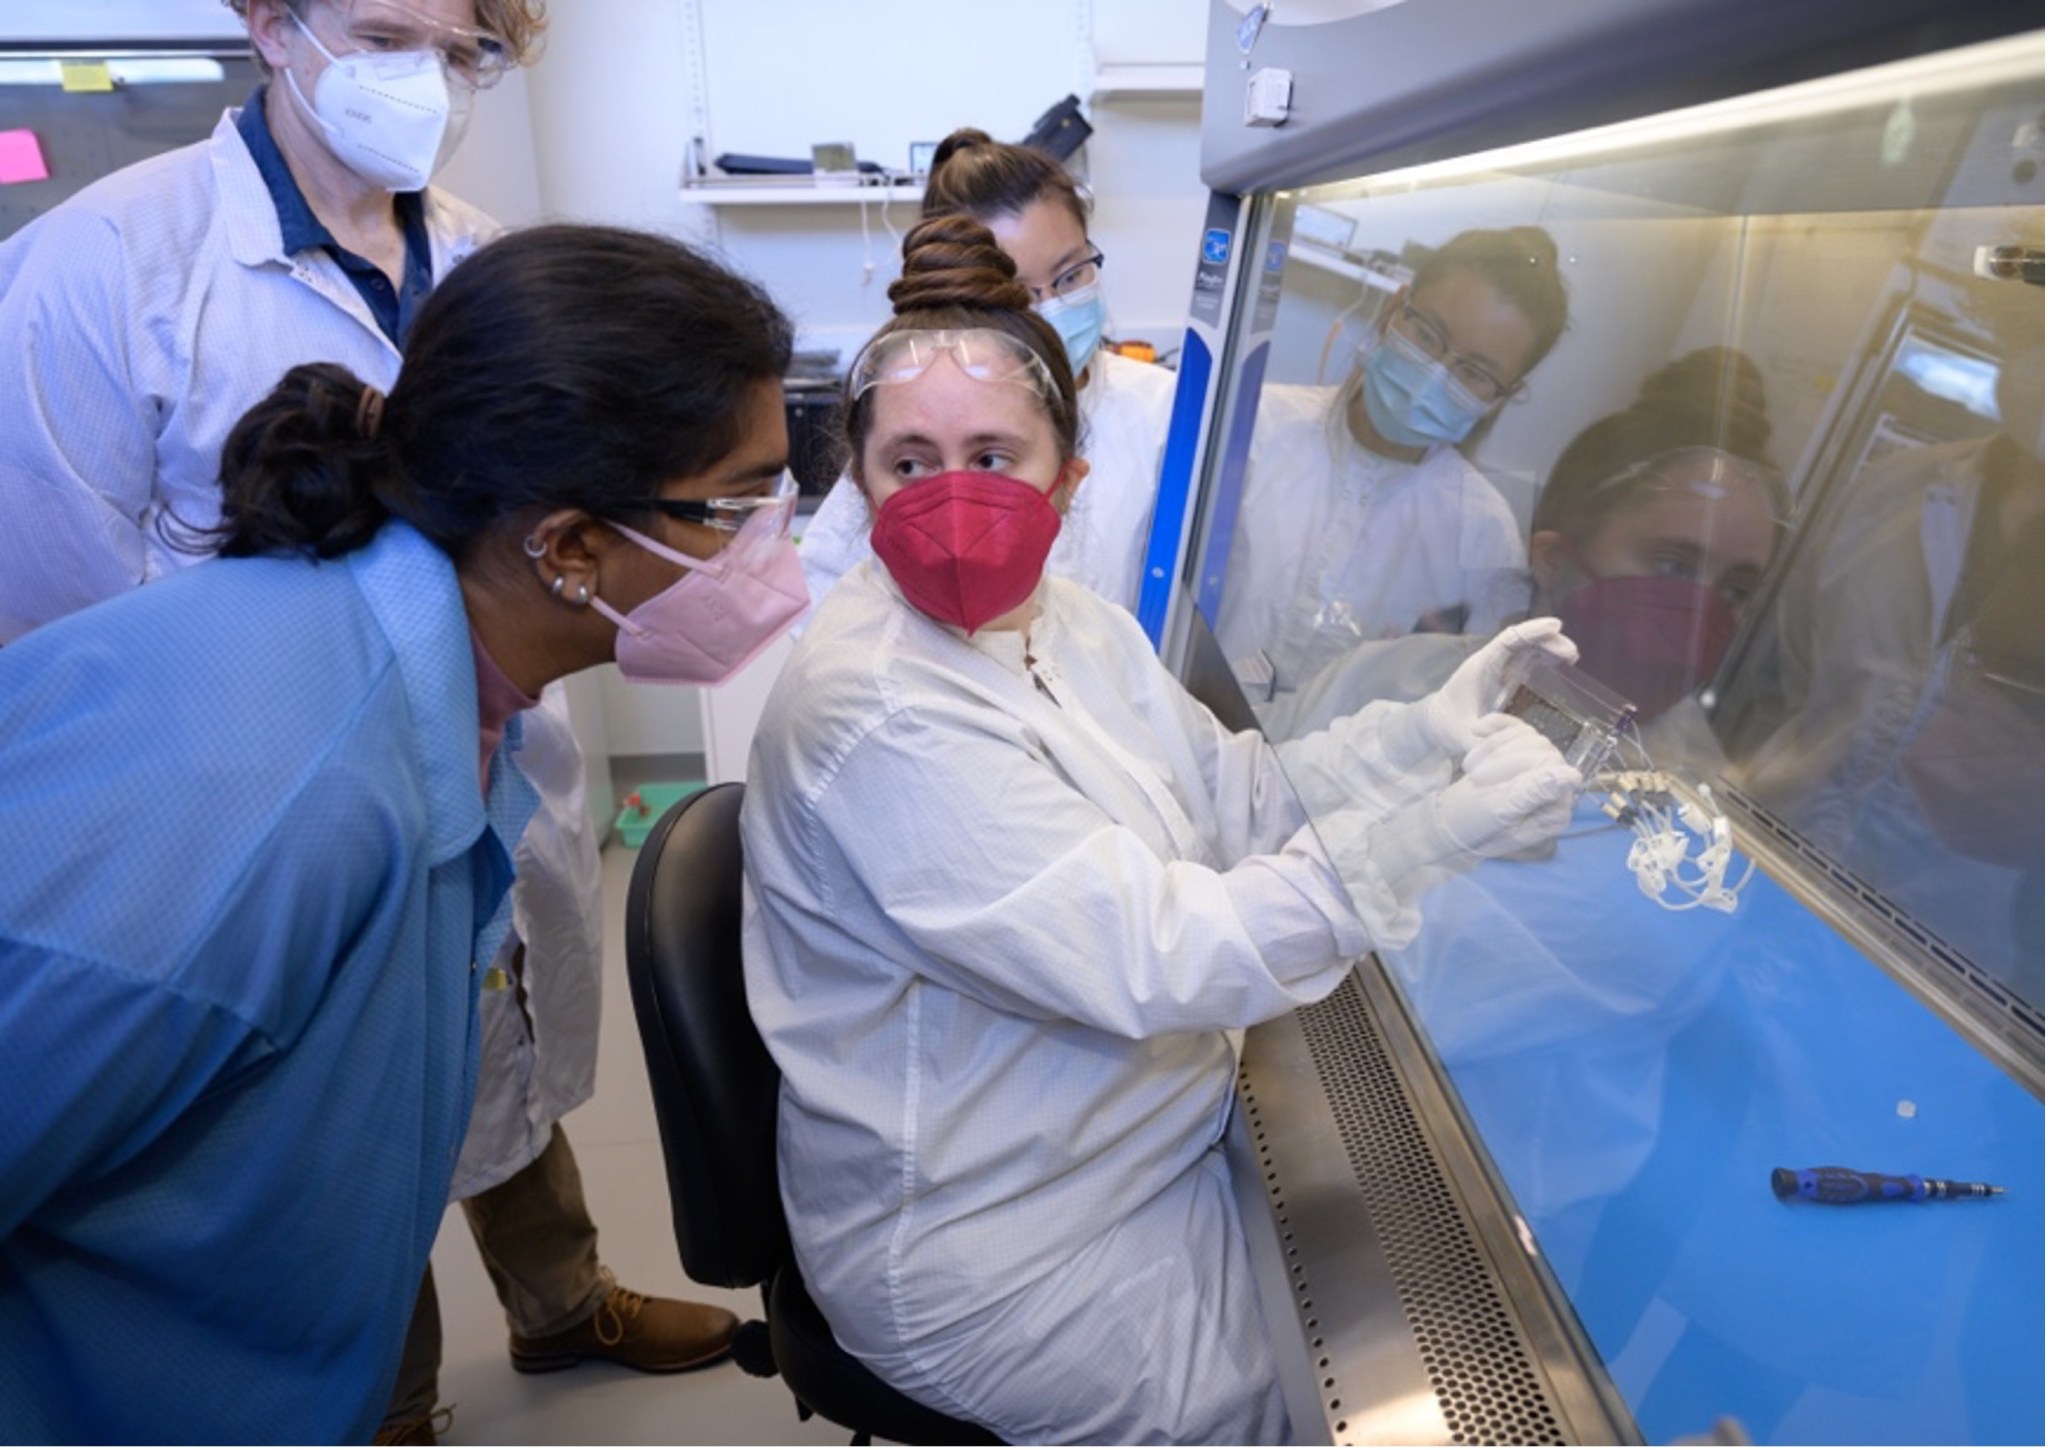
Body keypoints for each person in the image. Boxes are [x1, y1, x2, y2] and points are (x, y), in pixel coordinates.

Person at [0, 3, 739, 1438]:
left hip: (479, 767)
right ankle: (378, 1400)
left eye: (462, 51)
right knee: (333, 1136)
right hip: (278, 815)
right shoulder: (105, 269)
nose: (427, 82)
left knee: (499, 1053)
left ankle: (558, 1297)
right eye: (386, 31)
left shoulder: (473, 254)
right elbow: (61, 622)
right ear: (272, 22)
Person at [740, 213, 1583, 1444]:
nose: (953, 497)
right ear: (857, 485)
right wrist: (1414, 841)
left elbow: (1230, 795)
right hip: (993, 1240)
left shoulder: (1070, 622)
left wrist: (1416, 740)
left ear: (1068, 478)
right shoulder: (875, 709)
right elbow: (1160, 952)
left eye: (994, 454)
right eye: (910, 464)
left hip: (1116, 1151)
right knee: (1289, 1415)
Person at [1274, 348, 1785, 774]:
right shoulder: (1396, 688)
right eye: (1673, 566)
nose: (1703, 612)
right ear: (1554, 560)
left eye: (1735, 591)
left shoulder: (1700, 800)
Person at [797, 125, 1176, 615]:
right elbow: (830, 611)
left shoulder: (1163, 412)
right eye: (1017, 292)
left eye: (1071, 274)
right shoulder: (916, 433)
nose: (1054, 306)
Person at [1215, 225, 1571, 701]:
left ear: (1501, 396)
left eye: (1474, 372)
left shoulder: (1483, 535)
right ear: (1394, 308)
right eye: (1427, 334)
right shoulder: (1252, 432)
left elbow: (1461, 704)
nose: (1433, 374)